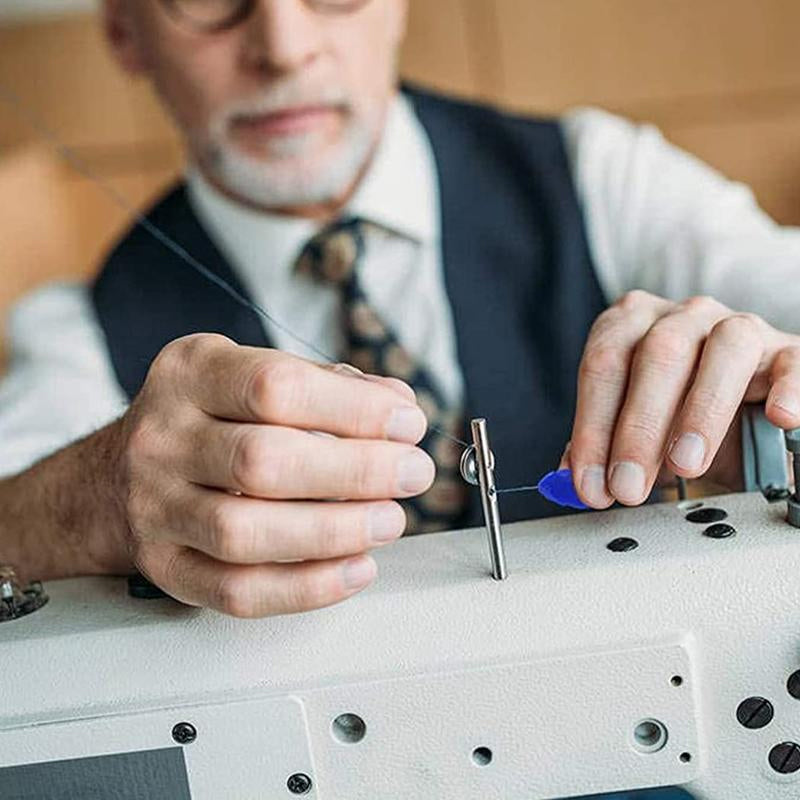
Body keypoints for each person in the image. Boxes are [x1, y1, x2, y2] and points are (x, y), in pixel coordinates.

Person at [2, 0, 800, 624]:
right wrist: (93, 497)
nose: (284, 46)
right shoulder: (80, 328)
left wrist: (781, 390)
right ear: (124, 31)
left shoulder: (604, 177)